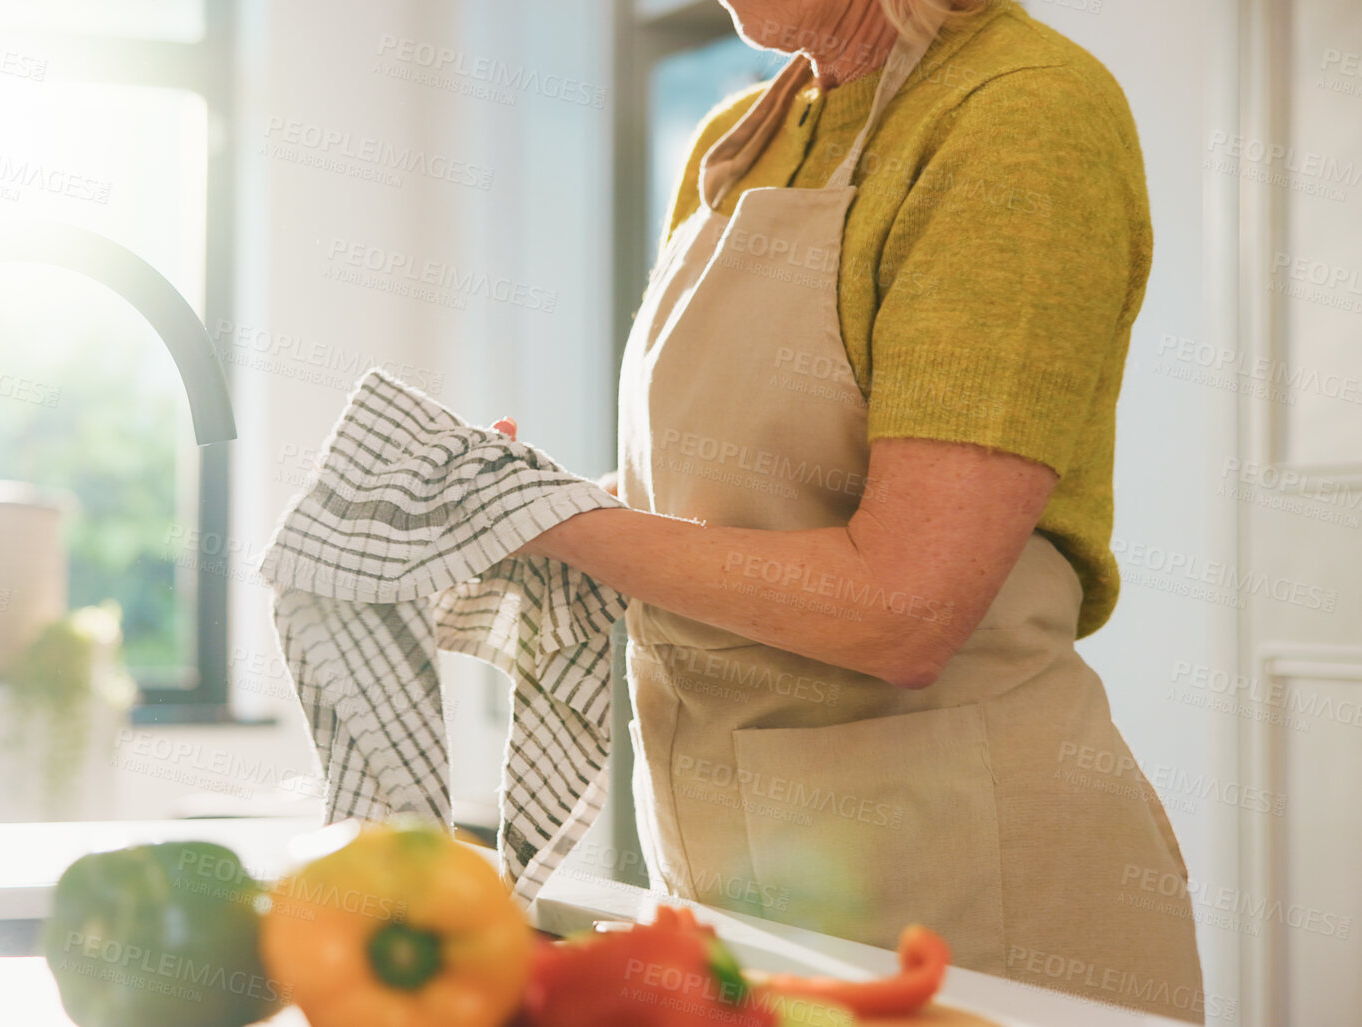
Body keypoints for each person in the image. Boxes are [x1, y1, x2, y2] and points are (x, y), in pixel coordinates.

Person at [496, 0, 1207, 1020]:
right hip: (734, 875)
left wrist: (562, 527)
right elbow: (724, 506)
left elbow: (906, 605)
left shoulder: (1021, 110)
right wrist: (535, 502)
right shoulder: (739, 142)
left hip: (967, 891)